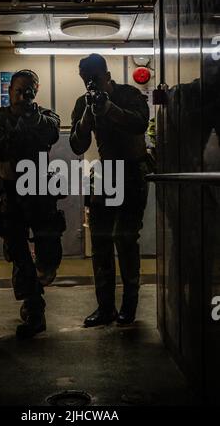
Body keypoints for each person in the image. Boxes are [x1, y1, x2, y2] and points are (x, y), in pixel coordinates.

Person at [0, 69, 64, 339]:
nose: (22, 96)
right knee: (17, 253)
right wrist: (19, 126)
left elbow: (51, 134)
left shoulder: (47, 116)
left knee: (49, 252)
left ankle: (35, 293)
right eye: (18, 91)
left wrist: (33, 116)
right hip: (11, 192)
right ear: (9, 91)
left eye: (27, 91)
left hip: (40, 192)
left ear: (35, 91)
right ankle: (34, 306)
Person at [70, 54, 149, 327]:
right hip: (106, 172)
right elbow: (77, 146)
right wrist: (86, 118)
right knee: (101, 241)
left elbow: (139, 123)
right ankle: (105, 308)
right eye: (84, 79)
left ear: (106, 74)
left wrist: (109, 110)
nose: (89, 84)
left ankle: (129, 306)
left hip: (132, 170)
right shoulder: (85, 103)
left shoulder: (129, 94)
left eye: (93, 78)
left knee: (125, 238)